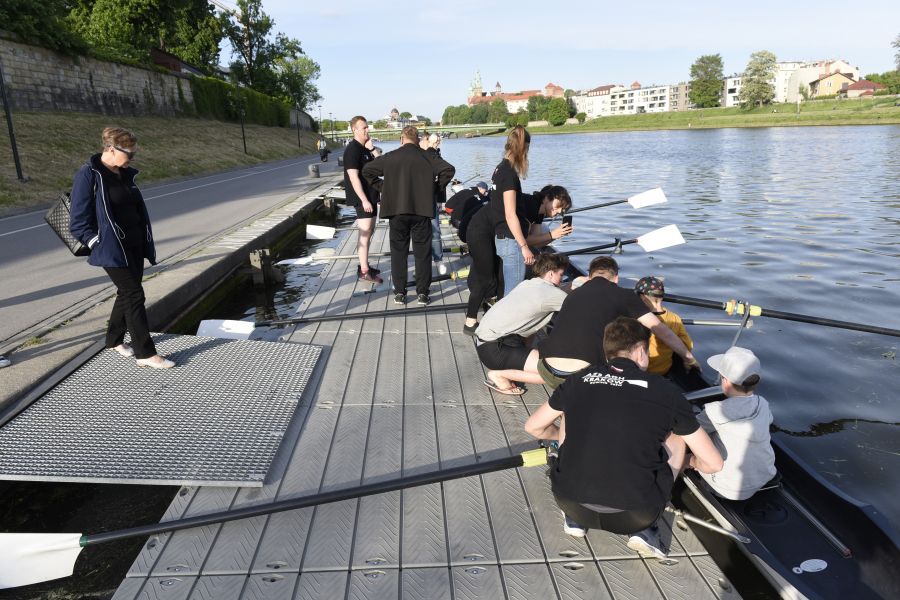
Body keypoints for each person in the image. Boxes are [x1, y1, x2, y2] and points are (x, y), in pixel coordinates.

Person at [524, 317, 723, 557]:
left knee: (570, 415)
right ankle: (645, 531)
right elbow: (714, 464)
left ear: (607, 351)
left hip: (569, 501)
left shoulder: (578, 380)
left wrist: (566, 436)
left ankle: (575, 521)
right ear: (640, 351)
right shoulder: (666, 391)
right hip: (636, 515)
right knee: (679, 434)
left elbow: (534, 427)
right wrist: (687, 463)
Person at [69, 127, 174, 369]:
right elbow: (78, 222)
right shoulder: (89, 175)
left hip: (135, 244)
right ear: (111, 149)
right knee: (135, 294)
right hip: (112, 249)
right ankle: (145, 353)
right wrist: (97, 243)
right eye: (130, 154)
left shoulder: (123, 173)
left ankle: (113, 340)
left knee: (126, 292)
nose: (132, 159)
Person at [537, 256, 700, 390]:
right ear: (616, 278)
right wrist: (689, 358)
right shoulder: (625, 295)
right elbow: (660, 329)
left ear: (590, 277)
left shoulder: (572, 294)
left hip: (546, 369)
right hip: (582, 376)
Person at [362, 125, 455, 306]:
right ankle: (422, 294)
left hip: (397, 212)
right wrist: (433, 190)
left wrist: (385, 189)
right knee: (422, 253)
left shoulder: (391, 157)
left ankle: (400, 293)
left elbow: (367, 171)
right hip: (421, 212)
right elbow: (448, 170)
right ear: (418, 139)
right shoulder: (427, 156)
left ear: (401, 139)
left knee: (399, 253)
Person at [463, 185, 573, 335]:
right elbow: (523, 239)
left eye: (562, 210)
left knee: (501, 278)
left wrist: (556, 235)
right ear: (548, 198)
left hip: (498, 237)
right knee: (486, 279)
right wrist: (552, 235)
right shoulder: (528, 204)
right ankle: (470, 322)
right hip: (480, 231)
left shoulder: (539, 212)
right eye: (558, 207)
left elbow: (535, 242)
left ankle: (497, 317)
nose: (558, 212)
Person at [476, 253, 570, 395]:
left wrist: (571, 287)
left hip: (486, 345)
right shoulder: (551, 294)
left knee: (533, 327)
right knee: (556, 372)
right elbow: (578, 306)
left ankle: (518, 362)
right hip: (497, 350)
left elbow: (555, 294)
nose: (562, 279)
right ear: (551, 273)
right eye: (561, 275)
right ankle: (499, 375)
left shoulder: (528, 283)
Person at [697, 347, 777, 500]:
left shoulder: (714, 411)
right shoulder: (763, 404)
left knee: (695, 440)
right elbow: (768, 421)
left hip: (725, 488)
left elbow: (691, 431)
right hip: (764, 476)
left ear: (725, 381)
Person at [490, 125, 535, 297]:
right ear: (523, 148)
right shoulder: (509, 174)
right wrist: (524, 246)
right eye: (527, 150)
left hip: (501, 237)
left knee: (508, 291)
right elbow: (510, 214)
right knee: (514, 295)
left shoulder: (499, 168)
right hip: (511, 241)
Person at [343, 116, 383, 284]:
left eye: (367, 127)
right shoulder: (352, 149)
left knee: (370, 231)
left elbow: (381, 164)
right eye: (364, 128)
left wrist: (372, 148)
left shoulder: (365, 148)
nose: (367, 130)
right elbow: (353, 177)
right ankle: (364, 271)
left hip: (371, 196)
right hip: (362, 199)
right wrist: (364, 200)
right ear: (355, 130)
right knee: (364, 233)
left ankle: (364, 265)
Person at [634, 276, 694, 377]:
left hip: (644, 371)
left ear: (642, 298)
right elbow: (688, 345)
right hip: (664, 369)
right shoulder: (675, 318)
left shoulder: (639, 319)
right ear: (661, 297)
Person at [422, 133, 449, 274]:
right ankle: (422, 264)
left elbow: (442, 177)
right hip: (419, 199)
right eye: (434, 142)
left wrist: (440, 200)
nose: (436, 144)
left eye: (438, 142)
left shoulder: (437, 154)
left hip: (432, 198)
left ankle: (438, 260)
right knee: (421, 234)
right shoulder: (419, 154)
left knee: (435, 230)